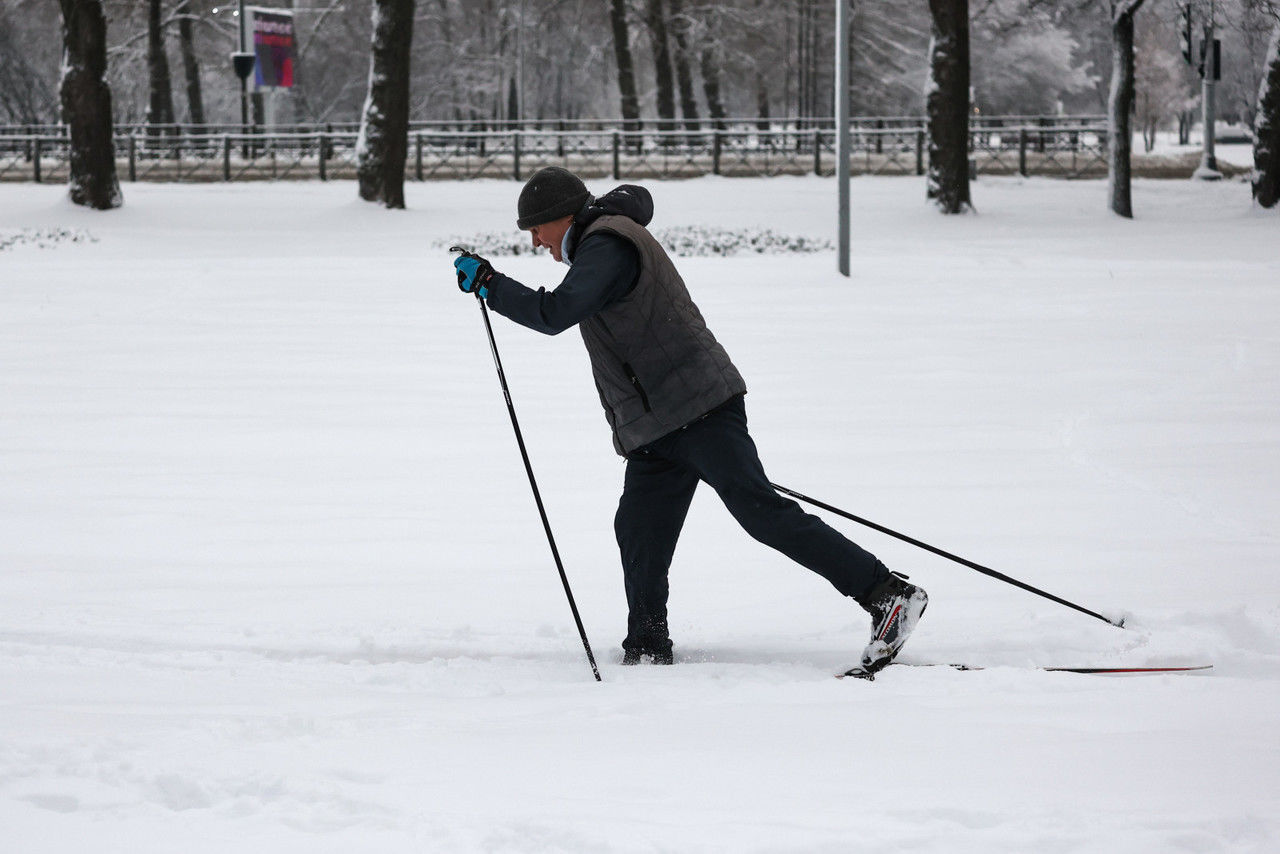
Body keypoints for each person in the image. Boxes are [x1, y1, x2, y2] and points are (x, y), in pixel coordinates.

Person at [452, 166, 927, 674]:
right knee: (639, 528)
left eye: (535, 229)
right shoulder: (599, 241)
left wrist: (490, 285)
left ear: (561, 217)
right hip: (659, 427)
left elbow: (555, 314)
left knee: (761, 513)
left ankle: (887, 595)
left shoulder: (607, 245)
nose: (534, 242)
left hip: (698, 409)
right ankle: (648, 646)